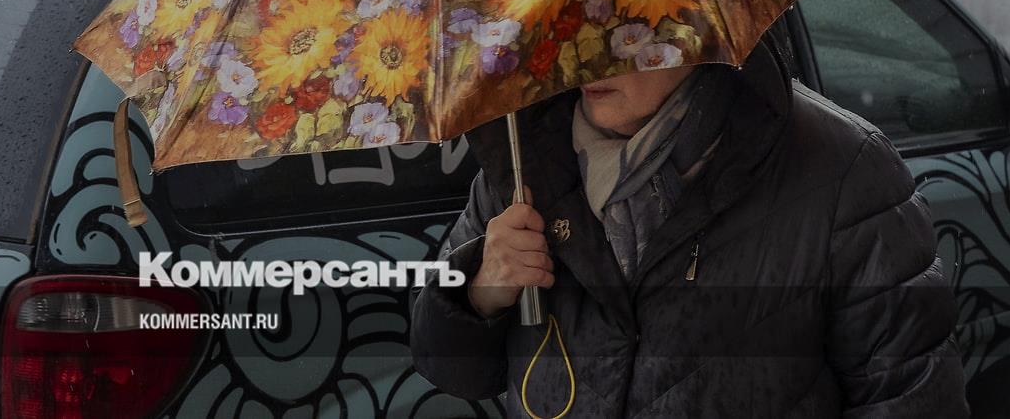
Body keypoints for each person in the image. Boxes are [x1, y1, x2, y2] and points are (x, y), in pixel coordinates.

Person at [409, 32, 969, 416]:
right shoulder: (522, 164)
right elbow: (452, 371)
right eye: (573, 24)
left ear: (693, 23)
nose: (588, 52)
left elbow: (909, 393)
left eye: (623, 26)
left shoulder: (841, 167)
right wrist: (480, 294)